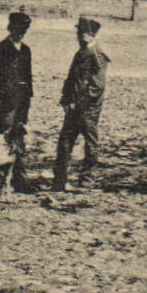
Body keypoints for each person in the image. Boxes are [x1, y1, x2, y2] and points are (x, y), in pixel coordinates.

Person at [52, 17, 109, 193]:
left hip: (88, 109)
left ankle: (87, 180)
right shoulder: (82, 52)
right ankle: (59, 180)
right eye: (78, 33)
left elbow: (97, 86)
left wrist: (79, 104)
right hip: (74, 107)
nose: (78, 36)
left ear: (91, 35)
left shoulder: (97, 55)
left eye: (82, 33)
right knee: (64, 142)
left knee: (90, 145)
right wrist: (66, 99)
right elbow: (72, 78)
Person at [0, 9, 34, 193]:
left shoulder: (26, 50)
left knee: (20, 140)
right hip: (6, 102)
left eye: (24, 31)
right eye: (18, 30)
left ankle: (19, 180)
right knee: (4, 140)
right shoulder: (0, 49)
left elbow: (28, 76)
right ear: (10, 28)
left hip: (23, 101)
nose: (20, 34)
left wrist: (28, 97)